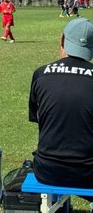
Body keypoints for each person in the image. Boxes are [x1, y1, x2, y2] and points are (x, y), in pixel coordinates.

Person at [29, 17, 93, 189]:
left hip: (47, 170)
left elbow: (38, 118)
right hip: (89, 173)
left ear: (62, 39)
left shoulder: (41, 74)